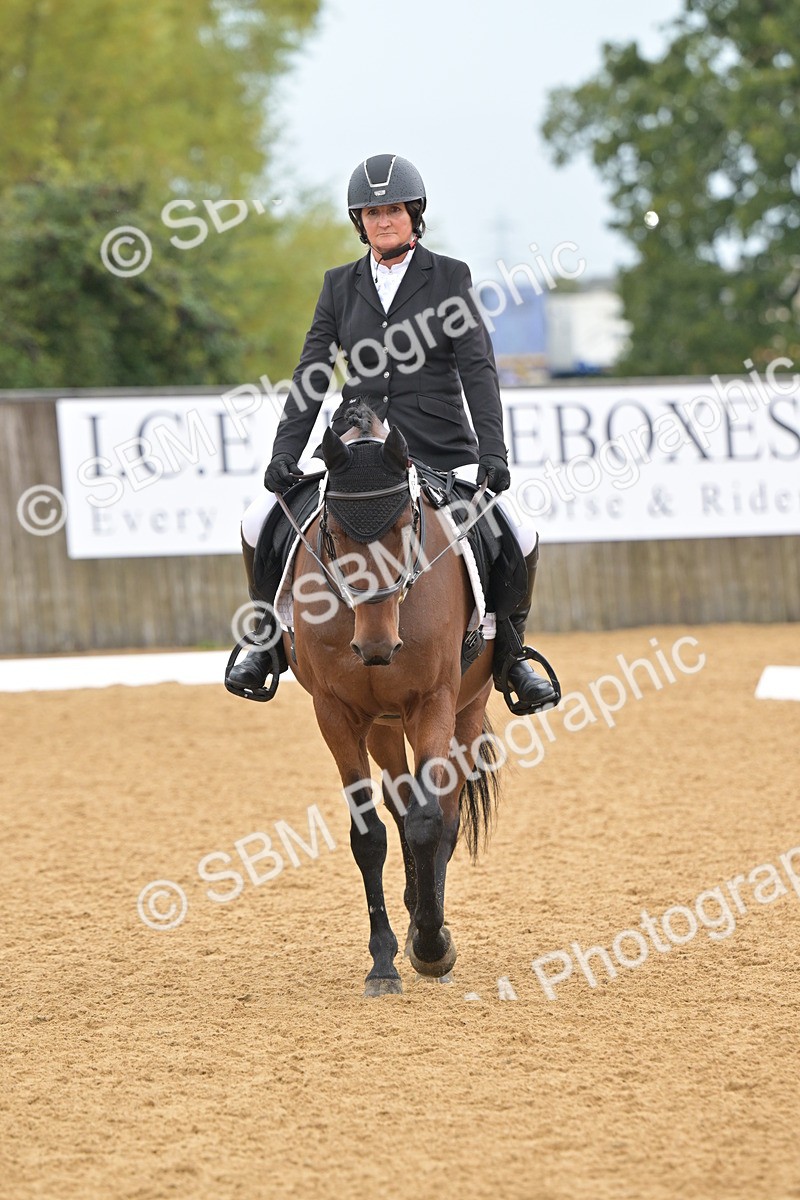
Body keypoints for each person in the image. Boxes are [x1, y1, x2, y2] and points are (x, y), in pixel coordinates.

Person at [226, 153, 558, 713]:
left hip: (438, 448)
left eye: (395, 211)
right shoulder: (339, 285)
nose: (384, 222)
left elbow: (477, 368)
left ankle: (512, 657)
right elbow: (313, 372)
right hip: (361, 453)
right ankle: (264, 641)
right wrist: (285, 452)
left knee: (517, 532)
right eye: (373, 213)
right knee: (258, 520)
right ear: (360, 222)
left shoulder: (450, 277)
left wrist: (492, 451)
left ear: (414, 215)